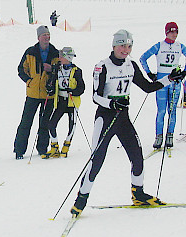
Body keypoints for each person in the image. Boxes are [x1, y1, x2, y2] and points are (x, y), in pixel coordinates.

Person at [70, 29, 186, 217]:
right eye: (122, 45)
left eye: (129, 46)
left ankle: (138, 194)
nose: (126, 49)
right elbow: (95, 97)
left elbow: (148, 87)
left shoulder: (131, 65)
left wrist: (170, 79)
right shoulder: (103, 66)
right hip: (105, 118)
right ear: (114, 46)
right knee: (97, 160)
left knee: (137, 156)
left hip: (123, 119)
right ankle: (80, 200)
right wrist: (112, 103)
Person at [14, 25, 59, 159]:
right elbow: (21, 69)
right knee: (26, 122)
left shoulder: (55, 52)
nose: (47, 37)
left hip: (48, 94)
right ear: (38, 37)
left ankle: (42, 148)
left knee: (44, 123)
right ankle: (19, 150)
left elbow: (60, 70)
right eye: (44, 35)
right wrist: (29, 81)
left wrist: (51, 69)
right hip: (32, 94)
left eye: (48, 35)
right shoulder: (30, 52)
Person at [139, 22, 186, 149]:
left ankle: (169, 136)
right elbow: (143, 58)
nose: (174, 34)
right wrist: (150, 74)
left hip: (175, 82)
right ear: (166, 32)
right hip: (161, 82)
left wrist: (183, 73)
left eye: (176, 32)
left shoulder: (180, 46)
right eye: (171, 32)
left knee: (172, 110)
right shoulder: (159, 45)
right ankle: (158, 136)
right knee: (161, 111)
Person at [43, 47, 85, 159]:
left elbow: (82, 88)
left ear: (68, 57)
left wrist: (73, 91)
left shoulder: (77, 71)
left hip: (72, 102)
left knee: (71, 125)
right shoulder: (57, 69)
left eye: (62, 56)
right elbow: (52, 81)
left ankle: (66, 146)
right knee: (51, 124)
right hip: (60, 101)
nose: (59, 58)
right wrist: (50, 88)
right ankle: (54, 147)